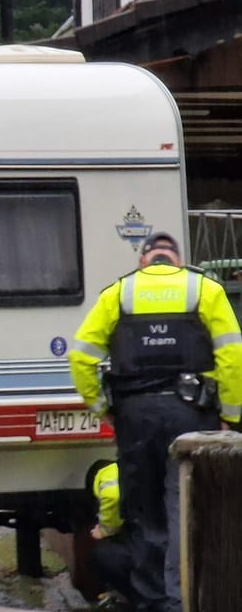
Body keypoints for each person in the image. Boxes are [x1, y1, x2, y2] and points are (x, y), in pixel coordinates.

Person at [68, 232, 242, 612]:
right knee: (192, 508)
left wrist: (104, 408)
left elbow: (81, 357)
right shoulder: (205, 290)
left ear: (144, 262)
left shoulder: (118, 294)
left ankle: (153, 602)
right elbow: (232, 355)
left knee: (144, 513)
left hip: (136, 418)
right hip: (193, 415)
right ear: (176, 260)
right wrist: (230, 416)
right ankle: (193, 598)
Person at [86, 459, 135, 611]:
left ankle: (130, 599)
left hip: (145, 551)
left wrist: (104, 530)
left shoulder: (105, 475)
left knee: (104, 552)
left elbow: (112, 496)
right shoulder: (126, 466)